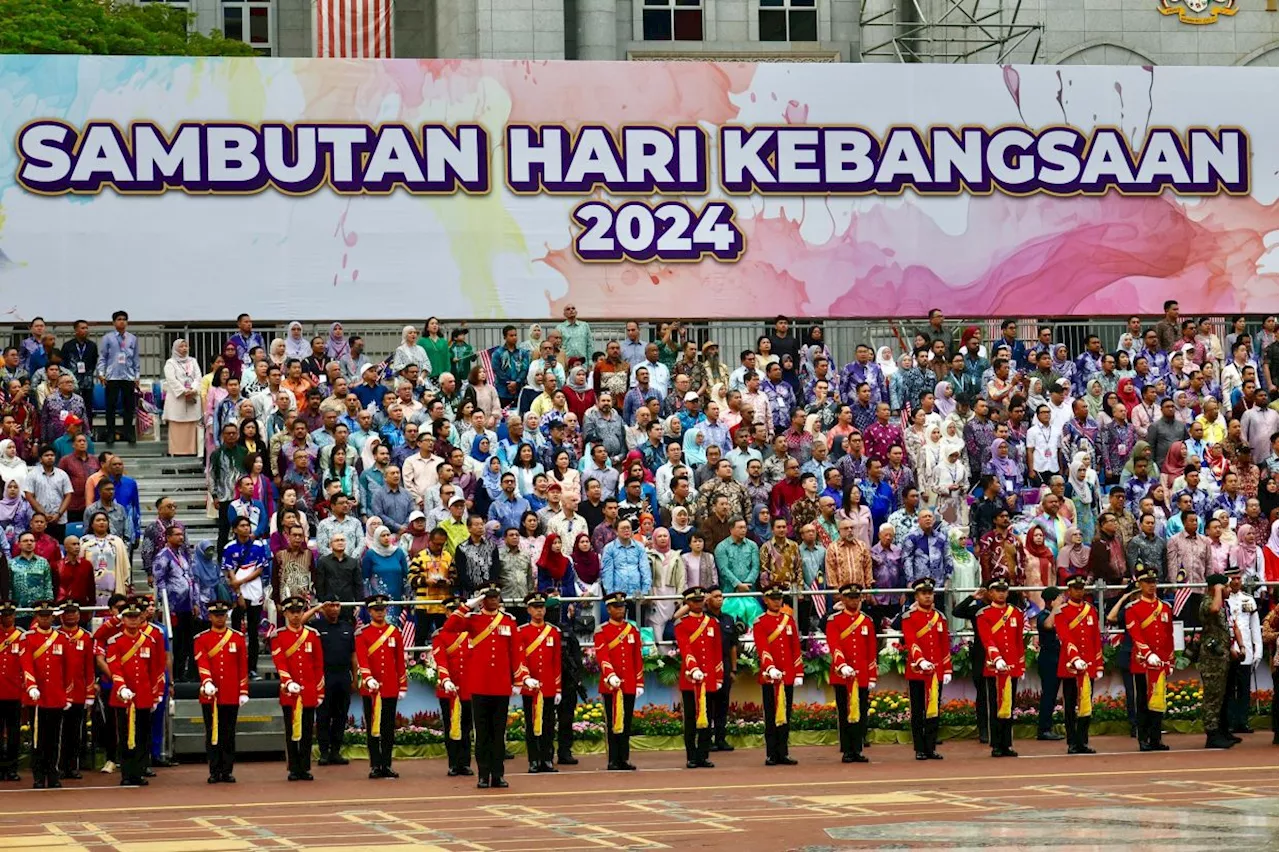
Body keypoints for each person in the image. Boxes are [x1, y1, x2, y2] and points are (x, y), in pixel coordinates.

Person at [445, 583, 533, 789]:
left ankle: (498, 774)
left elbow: (516, 652)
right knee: (482, 734)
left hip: (501, 685)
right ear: (482, 599)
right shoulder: (473, 620)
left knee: (498, 733)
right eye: (489, 597)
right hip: (479, 685)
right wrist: (468, 605)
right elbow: (450, 627)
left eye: (496, 596)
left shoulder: (509, 621)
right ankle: (483, 775)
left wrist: (519, 679)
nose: (493, 600)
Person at [105, 598, 166, 787]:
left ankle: (139, 772)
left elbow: (156, 669)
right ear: (123, 619)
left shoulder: (150, 641)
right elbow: (114, 667)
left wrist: (157, 694)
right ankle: (126, 773)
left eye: (135, 617)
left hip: (144, 696)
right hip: (123, 696)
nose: (132, 620)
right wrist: (122, 687)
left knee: (142, 735)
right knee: (124, 736)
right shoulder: (115, 641)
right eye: (128, 617)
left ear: (141, 618)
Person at [893, 577, 951, 761]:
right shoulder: (909, 617)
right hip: (918, 670)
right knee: (918, 711)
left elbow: (944, 646)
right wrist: (921, 660)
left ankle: (931, 746)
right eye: (923, 593)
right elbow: (911, 641)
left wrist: (947, 668)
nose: (927, 597)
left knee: (934, 709)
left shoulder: (940, 617)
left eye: (930, 593)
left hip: (936, 671)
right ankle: (919, 748)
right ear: (916, 596)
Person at [193, 600, 249, 784]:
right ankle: (214, 770)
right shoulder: (202, 639)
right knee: (212, 732)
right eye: (216, 615)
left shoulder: (237, 638)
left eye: (222, 615)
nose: (220, 618)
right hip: (210, 693)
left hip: (231, 693)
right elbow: (202, 663)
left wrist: (243, 691)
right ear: (209, 617)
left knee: (229, 732)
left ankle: (227, 770)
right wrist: (207, 682)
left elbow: (242, 667)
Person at [272, 596, 325, 781]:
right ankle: (294, 767)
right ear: (285, 614)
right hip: (290, 692)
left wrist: (319, 691)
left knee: (307, 730)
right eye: (292, 612)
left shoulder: (312, 635)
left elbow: (318, 665)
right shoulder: (278, 636)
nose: (295, 616)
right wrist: (288, 681)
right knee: (291, 731)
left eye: (298, 612)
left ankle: (305, 767)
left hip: (309, 691)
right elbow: (280, 663)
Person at [356, 593, 408, 779]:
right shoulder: (363, 634)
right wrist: (368, 678)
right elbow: (362, 659)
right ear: (369, 611)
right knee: (373, 727)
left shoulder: (394, 632)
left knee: (388, 727)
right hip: (371, 689)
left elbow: (400, 661)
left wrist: (402, 686)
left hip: (390, 687)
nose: (380, 613)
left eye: (383, 609)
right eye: (376, 610)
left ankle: (386, 763)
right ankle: (375, 764)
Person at [19, 600, 69, 789]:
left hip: (56, 696)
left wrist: (68, 695)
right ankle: (39, 776)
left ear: (52, 616)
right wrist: (31, 686)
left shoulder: (61, 638)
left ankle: (53, 774)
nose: (45, 618)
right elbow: (26, 664)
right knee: (38, 738)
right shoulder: (28, 638)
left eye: (48, 615)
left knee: (54, 738)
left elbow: (67, 669)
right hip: (37, 696)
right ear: (36, 617)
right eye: (41, 616)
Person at [673, 586, 722, 770]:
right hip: (690, 679)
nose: (698, 604)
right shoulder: (682, 624)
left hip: (708, 678)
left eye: (701, 600)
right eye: (694, 601)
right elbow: (685, 648)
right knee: (691, 720)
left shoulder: (712, 623)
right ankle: (691, 756)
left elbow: (717, 651)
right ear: (687, 603)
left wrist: (717, 676)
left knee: (707, 717)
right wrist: (693, 669)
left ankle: (703, 755)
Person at [826, 583, 876, 764]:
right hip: (842, 674)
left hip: (861, 674)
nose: (854, 601)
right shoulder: (834, 621)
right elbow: (834, 645)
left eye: (857, 597)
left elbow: (871, 650)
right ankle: (847, 749)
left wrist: (871, 675)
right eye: (850, 597)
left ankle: (858, 748)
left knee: (861, 712)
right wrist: (841, 665)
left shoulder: (867, 621)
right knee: (844, 712)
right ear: (843, 599)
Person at [1125, 568, 1174, 751]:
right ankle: (1143, 738)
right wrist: (1147, 653)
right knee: (1143, 701)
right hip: (1143, 662)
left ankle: (1156, 738)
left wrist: (1169, 660)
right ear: (1140, 584)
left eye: (1154, 582)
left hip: (1160, 661)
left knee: (1159, 700)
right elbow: (1135, 633)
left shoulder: (1165, 608)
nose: (1152, 585)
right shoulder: (1133, 608)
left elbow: (1169, 636)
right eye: (1147, 582)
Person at [753, 585, 802, 766]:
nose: (777, 601)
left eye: (779, 598)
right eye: (773, 599)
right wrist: (770, 667)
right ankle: (771, 753)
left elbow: (795, 647)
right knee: (771, 714)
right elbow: (762, 648)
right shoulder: (760, 622)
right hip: (770, 676)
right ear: (765, 600)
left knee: (786, 714)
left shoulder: (788, 621)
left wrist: (798, 671)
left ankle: (784, 752)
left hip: (787, 673)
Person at [976, 578, 1025, 758]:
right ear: (990, 593)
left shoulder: (1016, 613)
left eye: (1004, 590)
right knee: (995, 706)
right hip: (994, 666)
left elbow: (1019, 641)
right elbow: (986, 638)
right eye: (997, 590)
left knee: (1009, 706)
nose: (1001, 593)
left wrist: (1021, 664)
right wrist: (996, 658)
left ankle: (1007, 744)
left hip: (1011, 666)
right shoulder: (984, 614)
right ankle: (996, 744)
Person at [594, 590, 643, 771]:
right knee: (612, 721)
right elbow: (602, 655)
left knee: (626, 722)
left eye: (622, 606)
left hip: (628, 683)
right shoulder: (602, 631)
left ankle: (624, 757)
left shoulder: (632, 630)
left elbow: (637, 658)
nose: (620, 610)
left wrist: (639, 682)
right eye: (616, 607)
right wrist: (610, 674)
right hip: (610, 684)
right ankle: (613, 759)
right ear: (608, 609)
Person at [1056, 575, 1103, 755]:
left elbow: (1095, 639)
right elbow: (1065, 636)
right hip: (1070, 665)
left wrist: (1098, 664)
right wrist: (1075, 657)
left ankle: (1083, 740)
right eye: (1075, 588)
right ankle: (1072, 741)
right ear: (1069, 590)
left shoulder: (1090, 610)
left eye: (1081, 588)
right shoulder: (1062, 612)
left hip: (1089, 663)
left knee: (1086, 704)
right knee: (1070, 705)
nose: (1079, 591)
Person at [517, 592, 562, 774]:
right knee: (532, 724)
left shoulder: (553, 632)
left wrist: (558, 688)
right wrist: (525, 680)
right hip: (531, 687)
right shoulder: (522, 632)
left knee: (549, 724)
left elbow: (556, 662)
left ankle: (547, 759)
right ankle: (533, 760)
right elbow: (520, 660)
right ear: (529, 610)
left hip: (549, 686)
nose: (539, 611)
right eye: (535, 608)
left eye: (541, 607)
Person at [222, 517, 269, 678]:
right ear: (235, 529)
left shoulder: (258, 545)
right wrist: (238, 593)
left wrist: (241, 581)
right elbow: (229, 573)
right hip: (237, 593)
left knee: (253, 632)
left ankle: (252, 668)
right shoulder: (229, 547)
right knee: (236, 632)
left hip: (254, 591)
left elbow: (260, 569)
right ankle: (236, 667)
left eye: (248, 525)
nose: (246, 528)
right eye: (242, 526)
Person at [432, 597, 474, 776]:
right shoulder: (440, 635)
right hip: (449, 688)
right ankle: (453, 762)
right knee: (450, 725)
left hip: (469, 688)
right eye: (452, 611)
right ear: (447, 613)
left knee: (466, 726)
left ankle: (465, 762)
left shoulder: (471, 633)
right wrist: (446, 679)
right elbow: (440, 659)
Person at [1197, 572, 1236, 750]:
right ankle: (1211, 734)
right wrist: (1218, 591)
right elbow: (1213, 609)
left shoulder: (1221, 605)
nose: (1229, 589)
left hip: (1221, 657)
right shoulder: (1208, 602)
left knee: (1219, 696)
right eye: (1225, 586)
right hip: (1211, 659)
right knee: (1212, 696)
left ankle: (1219, 731)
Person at [96, 310, 141, 446]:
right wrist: (101, 373)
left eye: (124, 319)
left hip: (128, 377)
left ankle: (128, 432)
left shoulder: (132, 338)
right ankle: (110, 433)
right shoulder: (108, 338)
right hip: (112, 376)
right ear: (114, 322)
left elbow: (136, 359)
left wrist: (137, 376)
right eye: (119, 319)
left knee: (129, 406)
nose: (122, 321)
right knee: (111, 406)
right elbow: (103, 357)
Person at [1034, 586, 1064, 743]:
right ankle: (1044, 729)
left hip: (1061, 657)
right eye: (1059, 599)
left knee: (1056, 695)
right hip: (1049, 658)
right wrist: (1055, 609)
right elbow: (1047, 625)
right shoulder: (1043, 615)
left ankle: (1050, 726)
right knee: (1049, 695)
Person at [163, 339, 203, 456]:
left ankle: (192, 451)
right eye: (181, 346)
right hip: (177, 399)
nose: (184, 348)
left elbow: (198, 376)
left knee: (192, 425)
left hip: (192, 397)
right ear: (175, 348)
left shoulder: (193, 361)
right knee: (177, 426)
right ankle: (176, 452)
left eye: (186, 346)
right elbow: (171, 379)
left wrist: (193, 389)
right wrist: (183, 391)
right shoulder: (170, 363)